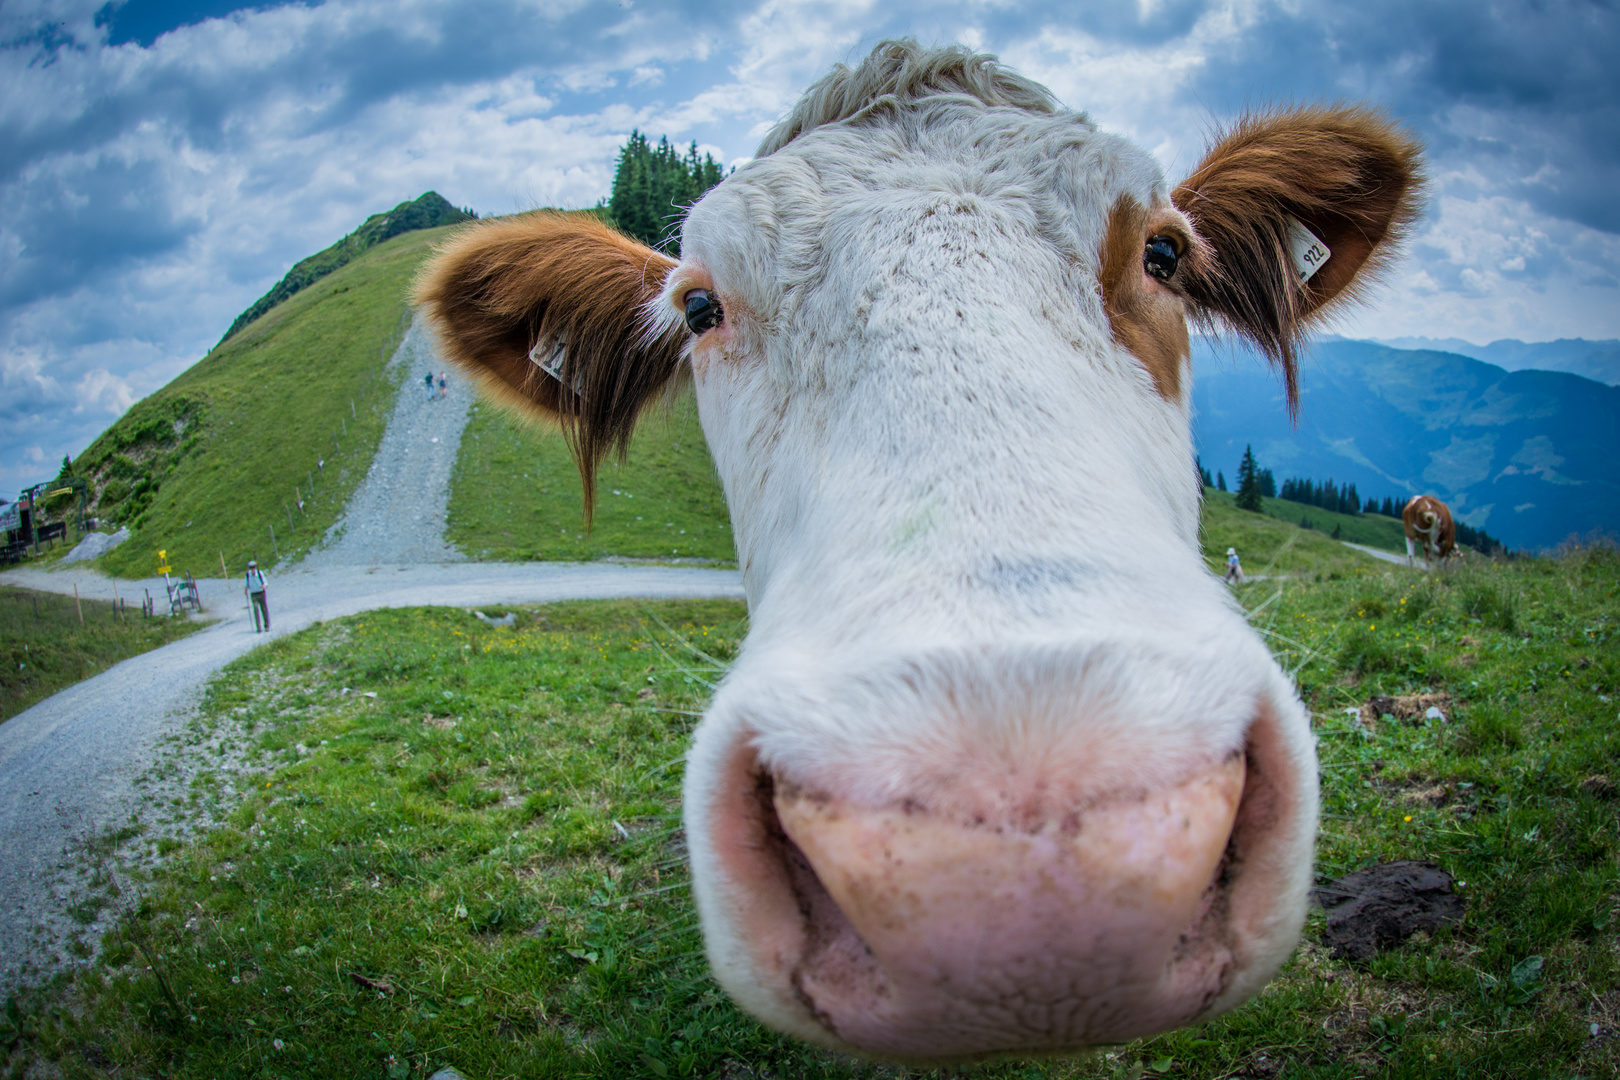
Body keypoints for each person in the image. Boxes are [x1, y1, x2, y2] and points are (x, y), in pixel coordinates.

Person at [245, 559, 270, 632]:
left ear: (255, 567)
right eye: (251, 567)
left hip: (261, 593)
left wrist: (264, 586)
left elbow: (265, 582)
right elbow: (246, 584)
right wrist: (246, 590)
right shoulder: (248, 574)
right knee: (255, 609)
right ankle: (258, 627)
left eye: (253, 567)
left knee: (264, 609)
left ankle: (266, 625)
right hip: (253, 594)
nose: (252, 569)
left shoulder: (259, 573)